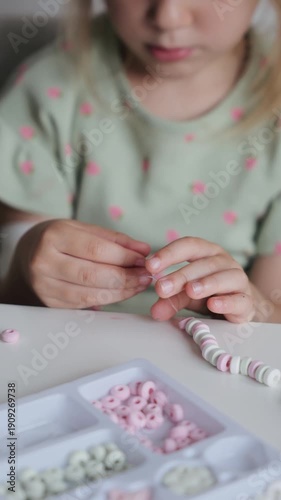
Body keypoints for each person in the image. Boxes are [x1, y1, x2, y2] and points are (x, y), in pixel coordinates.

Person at [0, 0, 281, 324]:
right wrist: (26, 266)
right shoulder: (50, 91)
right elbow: (14, 305)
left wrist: (249, 307)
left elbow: (273, 321)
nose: (168, 18)